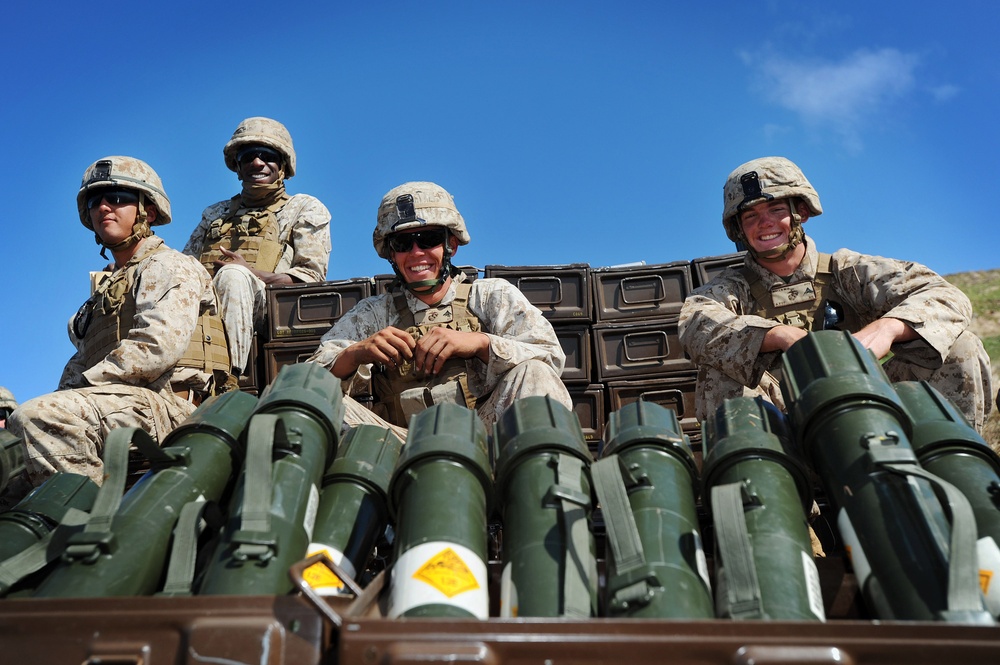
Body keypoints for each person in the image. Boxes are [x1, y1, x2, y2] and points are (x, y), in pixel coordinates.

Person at [679, 156, 993, 432]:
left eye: (775, 209)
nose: (764, 223)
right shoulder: (731, 287)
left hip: (871, 409)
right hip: (782, 429)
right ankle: (766, 491)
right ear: (739, 229)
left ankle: (950, 472)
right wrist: (777, 335)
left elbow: (943, 295)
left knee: (961, 345)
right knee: (717, 372)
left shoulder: (846, 270)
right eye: (751, 216)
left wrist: (886, 329)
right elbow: (696, 324)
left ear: (800, 211)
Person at [6, 156, 230, 491]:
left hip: (172, 408)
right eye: (96, 201)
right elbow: (79, 363)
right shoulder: (104, 293)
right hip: (120, 404)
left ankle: (90, 527)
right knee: (8, 457)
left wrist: (73, 393)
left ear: (148, 212)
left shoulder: (169, 265)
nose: (104, 207)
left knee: (41, 417)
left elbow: (155, 348)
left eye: (119, 199)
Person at [307, 181, 571, 435]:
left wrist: (480, 344)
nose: (416, 253)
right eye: (402, 244)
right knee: (311, 403)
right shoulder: (372, 314)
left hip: (487, 436)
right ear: (391, 253)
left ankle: (538, 476)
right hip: (400, 445)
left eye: (428, 239)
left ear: (451, 246)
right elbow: (307, 381)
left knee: (534, 372)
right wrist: (356, 354)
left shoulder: (492, 296)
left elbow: (549, 358)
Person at [184, 116, 331, 378]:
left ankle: (228, 378)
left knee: (233, 276)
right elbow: (185, 268)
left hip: (274, 313)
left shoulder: (303, 208)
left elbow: (310, 279)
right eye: (248, 156)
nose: (257, 162)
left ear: (283, 165)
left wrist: (250, 272)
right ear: (238, 167)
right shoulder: (214, 214)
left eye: (267, 155)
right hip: (205, 307)